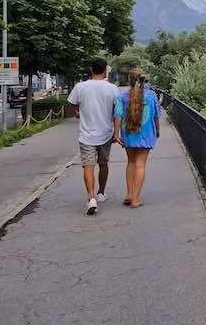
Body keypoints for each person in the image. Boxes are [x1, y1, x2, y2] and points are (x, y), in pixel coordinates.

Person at [67, 58, 120, 215]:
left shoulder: (80, 87)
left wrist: (77, 114)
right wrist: (116, 133)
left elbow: (72, 107)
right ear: (105, 70)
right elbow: (117, 113)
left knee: (88, 166)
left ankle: (91, 198)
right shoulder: (112, 89)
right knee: (103, 163)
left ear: (91, 69)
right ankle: (101, 193)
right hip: (106, 133)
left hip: (86, 134)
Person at [113, 68, 160, 208]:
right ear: (144, 80)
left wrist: (116, 135)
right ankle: (135, 199)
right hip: (146, 134)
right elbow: (156, 116)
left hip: (129, 134)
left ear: (130, 80)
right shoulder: (151, 96)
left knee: (131, 163)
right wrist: (157, 130)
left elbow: (118, 116)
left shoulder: (123, 97)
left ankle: (129, 194)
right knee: (141, 165)